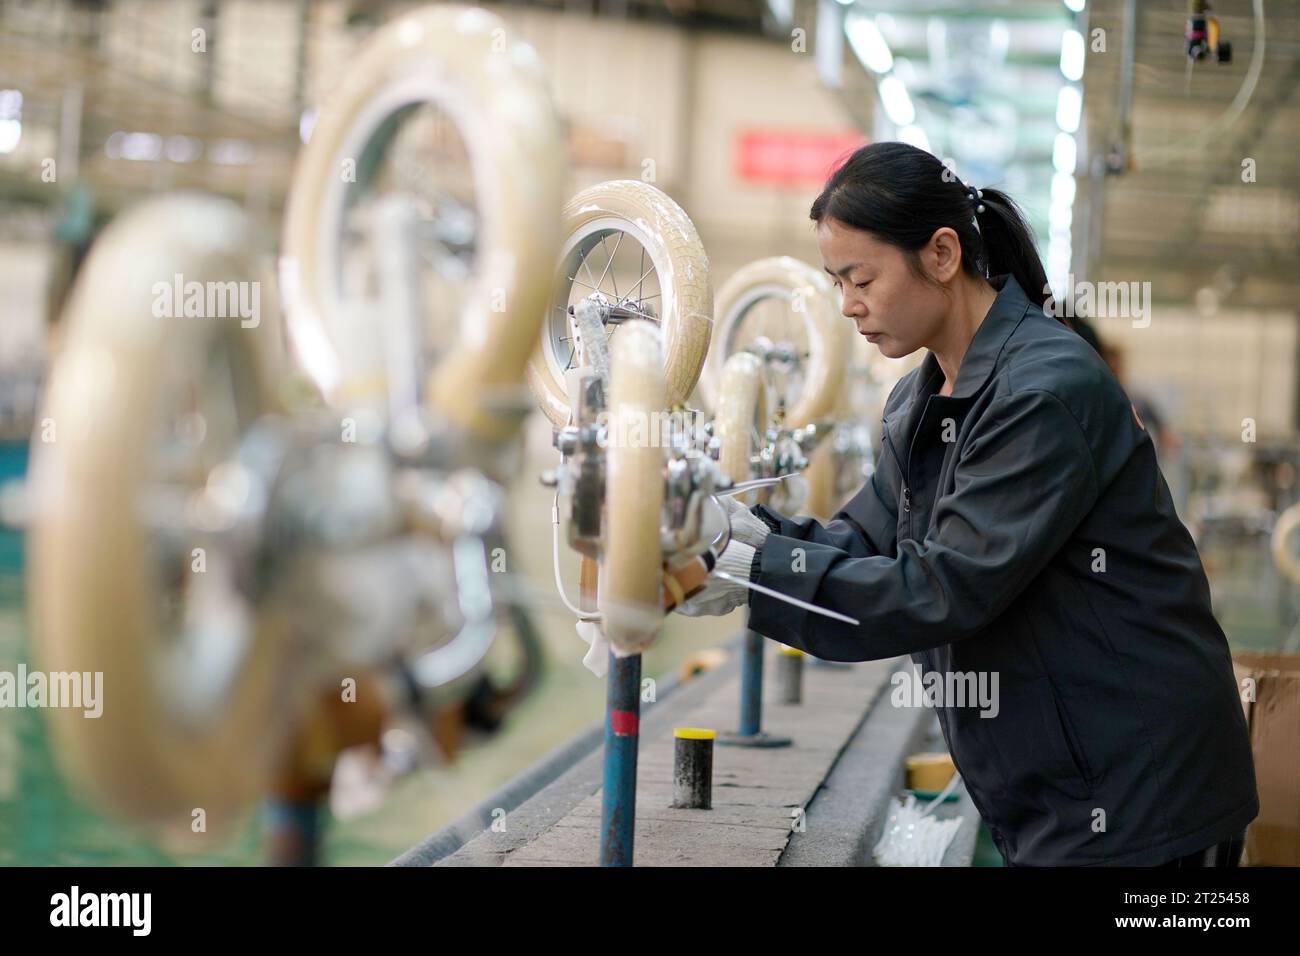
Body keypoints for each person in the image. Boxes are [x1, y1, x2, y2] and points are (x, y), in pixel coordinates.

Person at [677, 142, 1257, 867]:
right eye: (837, 283)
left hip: (1143, 796)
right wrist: (737, 535)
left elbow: (943, 588)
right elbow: (863, 542)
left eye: (861, 278)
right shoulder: (921, 399)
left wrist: (754, 573)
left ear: (943, 254)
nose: (848, 306)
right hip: (1058, 790)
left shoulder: (1041, 391)